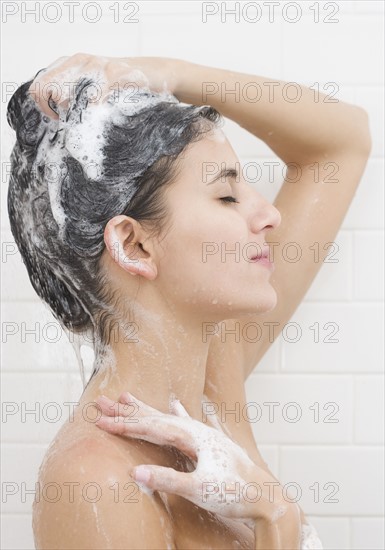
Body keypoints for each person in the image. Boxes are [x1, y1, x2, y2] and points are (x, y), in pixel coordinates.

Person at [7, 54, 371, 549]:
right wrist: (276, 522)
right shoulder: (98, 483)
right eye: (227, 196)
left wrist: (170, 75)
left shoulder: (215, 378)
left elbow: (342, 143)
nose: (268, 214)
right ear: (133, 245)